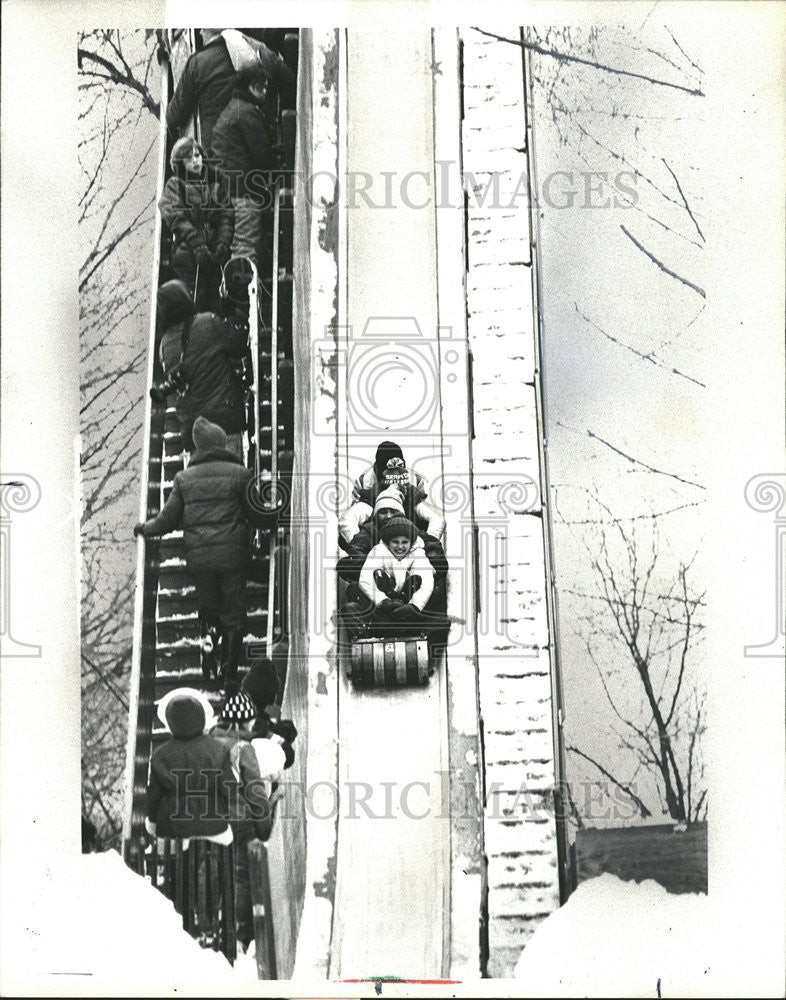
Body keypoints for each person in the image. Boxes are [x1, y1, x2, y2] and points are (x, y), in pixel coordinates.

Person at [134, 416, 254, 693]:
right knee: (233, 613)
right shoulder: (240, 473)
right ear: (221, 443)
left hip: (200, 559)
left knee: (210, 607)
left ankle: (209, 639)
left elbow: (167, 520)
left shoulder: (184, 479)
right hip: (233, 556)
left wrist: (145, 528)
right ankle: (230, 674)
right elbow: (254, 513)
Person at [153, 279, 247, 456]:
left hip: (194, 432)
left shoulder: (164, 347)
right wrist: (233, 313)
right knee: (232, 477)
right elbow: (240, 345)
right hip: (225, 422)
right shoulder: (208, 322)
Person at [167, 29, 295, 156]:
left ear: (206, 33)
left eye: (202, 29)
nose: (200, 32)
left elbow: (173, 117)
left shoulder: (196, 63)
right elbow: (290, 85)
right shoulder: (260, 50)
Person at [212, 691, 273, 953]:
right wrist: (264, 826)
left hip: (211, 819)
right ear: (242, 722)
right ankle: (241, 937)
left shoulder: (209, 743)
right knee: (242, 878)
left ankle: (216, 929)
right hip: (240, 821)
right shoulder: (243, 748)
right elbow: (256, 792)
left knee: (217, 874)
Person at [211, 62, 280, 272]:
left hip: (226, 191)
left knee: (240, 247)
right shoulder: (246, 112)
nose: (264, 90)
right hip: (242, 192)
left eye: (266, 86)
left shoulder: (233, 109)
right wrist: (278, 172)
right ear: (248, 86)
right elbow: (261, 153)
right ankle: (243, 300)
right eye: (260, 85)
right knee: (244, 250)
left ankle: (239, 296)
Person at [337, 487, 448, 614]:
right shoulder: (371, 536)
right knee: (354, 587)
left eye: (393, 511)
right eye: (383, 512)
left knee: (435, 585)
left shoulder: (415, 537)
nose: (388, 516)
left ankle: (411, 608)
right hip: (379, 590)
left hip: (411, 592)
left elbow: (432, 564)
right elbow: (360, 560)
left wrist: (415, 605)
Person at [340, 515, 448, 646]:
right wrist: (383, 601)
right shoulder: (378, 551)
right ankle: (364, 645)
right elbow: (366, 579)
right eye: (395, 542)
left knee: (440, 618)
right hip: (382, 613)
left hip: (408, 614)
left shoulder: (418, 554)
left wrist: (414, 606)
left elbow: (426, 582)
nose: (400, 547)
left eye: (405, 542)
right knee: (353, 598)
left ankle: (423, 651)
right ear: (387, 542)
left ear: (411, 542)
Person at [145, 688, 234, 845]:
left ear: (170, 722)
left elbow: (154, 796)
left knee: (167, 848)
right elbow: (229, 789)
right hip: (213, 821)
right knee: (226, 841)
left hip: (173, 825)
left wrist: (152, 821)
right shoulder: (218, 750)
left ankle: (172, 866)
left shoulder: (160, 755)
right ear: (200, 717)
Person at [159, 137, 234, 312]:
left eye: (197, 155)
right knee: (196, 300)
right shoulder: (175, 186)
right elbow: (176, 218)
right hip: (189, 253)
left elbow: (226, 215)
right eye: (189, 158)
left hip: (215, 250)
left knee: (221, 298)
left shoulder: (215, 182)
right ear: (180, 163)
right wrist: (198, 246)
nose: (195, 160)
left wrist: (222, 243)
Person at [338, 441, 445, 546]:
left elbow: (430, 518)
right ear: (377, 469)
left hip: (407, 527)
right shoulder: (364, 482)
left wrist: (428, 544)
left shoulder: (416, 480)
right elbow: (353, 519)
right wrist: (359, 547)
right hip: (376, 526)